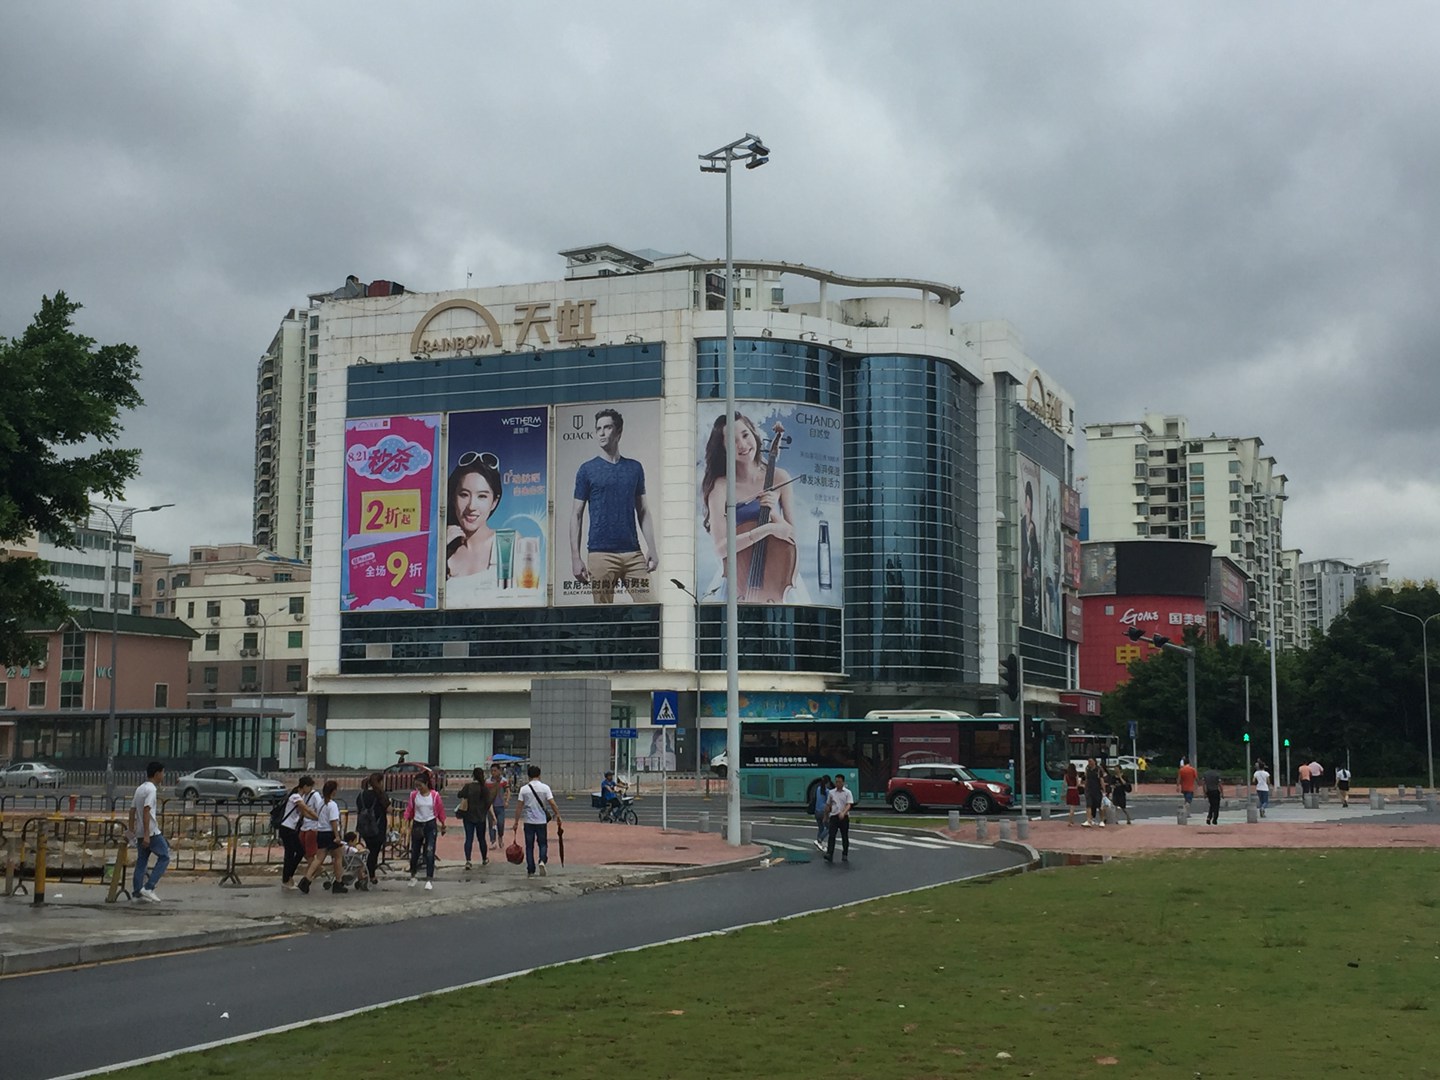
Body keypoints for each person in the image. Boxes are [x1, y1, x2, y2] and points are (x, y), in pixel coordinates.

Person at [700, 411, 805, 604]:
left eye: (745, 435)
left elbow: (791, 536)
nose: (742, 445)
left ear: (754, 434)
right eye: (732, 441)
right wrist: (767, 529)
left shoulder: (780, 477)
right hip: (737, 578)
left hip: (776, 574)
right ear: (722, 448)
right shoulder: (721, 487)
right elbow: (721, 548)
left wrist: (772, 511)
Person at [569, 408, 658, 604]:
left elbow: (643, 511)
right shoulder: (587, 470)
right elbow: (576, 515)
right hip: (600, 555)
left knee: (650, 608)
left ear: (618, 432)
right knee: (603, 617)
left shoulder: (634, 468)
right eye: (598, 428)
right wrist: (576, 558)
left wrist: (651, 547)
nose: (601, 433)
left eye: (607, 427)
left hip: (633, 554)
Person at [445, 453, 504, 608]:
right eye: (464, 495)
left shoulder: (506, 543)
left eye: (482, 496)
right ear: (453, 497)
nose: (471, 506)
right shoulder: (443, 550)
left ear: (494, 502)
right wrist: (437, 552)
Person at [129, 761, 170, 902]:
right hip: (151, 832)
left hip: (140, 831)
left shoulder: (140, 789)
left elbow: (132, 810)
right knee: (165, 856)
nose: (163, 776)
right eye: (163, 773)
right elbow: (147, 810)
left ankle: (136, 893)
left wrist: (131, 830)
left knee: (142, 861)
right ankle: (148, 887)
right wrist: (147, 834)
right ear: (157, 773)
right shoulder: (152, 790)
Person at [298, 779, 345, 894]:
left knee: (319, 858)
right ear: (333, 791)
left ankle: (306, 880)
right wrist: (337, 836)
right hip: (330, 833)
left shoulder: (321, 804)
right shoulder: (332, 805)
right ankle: (338, 882)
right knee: (338, 857)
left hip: (321, 832)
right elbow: (334, 821)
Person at [517, 764, 562, 877]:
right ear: (539, 775)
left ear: (528, 776)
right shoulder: (545, 788)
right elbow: (552, 803)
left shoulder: (524, 789)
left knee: (529, 846)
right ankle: (542, 860)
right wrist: (558, 815)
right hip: (541, 821)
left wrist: (516, 822)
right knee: (542, 843)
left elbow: (519, 807)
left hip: (528, 821)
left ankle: (530, 868)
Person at [405, 772, 447, 890]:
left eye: (420, 785)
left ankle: (429, 878)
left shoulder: (434, 795)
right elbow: (409, 809)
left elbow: (440, 810)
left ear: (426, 784)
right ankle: (413, 876)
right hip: (417, 824)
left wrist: (443, 824)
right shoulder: (414, 795)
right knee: (414, 852)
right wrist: (406, 820)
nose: (418, 788)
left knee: (429, 851)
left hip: (430, 824)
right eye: (416, 786)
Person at [278, 774, 320, 888]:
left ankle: (288, 877)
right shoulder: (295, 796)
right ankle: (287, 879)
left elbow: (305, 814)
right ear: (305, 786)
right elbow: (306, 809)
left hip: (290, 829)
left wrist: (318, 819)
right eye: (310, 787)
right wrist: (320, 817)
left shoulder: (298, 797)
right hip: (287, 829)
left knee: (296, 852)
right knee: (292, 854)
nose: (310, 790)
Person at [354, 772, 389, 886]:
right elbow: (389, 809)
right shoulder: (380, 794)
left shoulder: (361, 795)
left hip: (364, 827)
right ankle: (369, 874)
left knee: (369, 849)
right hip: (378, 827)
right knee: (374, 852)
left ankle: (367, 873)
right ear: (379, 782)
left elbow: (359, 808)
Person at [456, 766, 495, 870]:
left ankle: (468, 861)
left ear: (473, 775)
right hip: (481, 817)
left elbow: (459, 795)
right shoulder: (484, 788)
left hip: (468, 816)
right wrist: (484, 811)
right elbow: (489, 802)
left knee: (469, 838)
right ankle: (484, 858)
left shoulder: (468, 787)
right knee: (481, 838)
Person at [1019, 481, 1042, 628]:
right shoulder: (1020, 524)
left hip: (1030, 577)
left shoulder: (1033, 528)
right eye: (1027, 503)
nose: (1028, 507)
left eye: (1030, 503)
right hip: (1021, 577)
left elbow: (1035, 555)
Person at [824, 773, 854, 863]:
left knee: (844, 836)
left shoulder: (847, 792)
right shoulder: (831, 792)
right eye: (836, 782)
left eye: (840, 782)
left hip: (844, 817)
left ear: (843, 782)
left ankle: (845, 853)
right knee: (832, 835)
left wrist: (843, 813)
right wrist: (825, 816)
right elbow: (828, 804)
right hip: (834, 816)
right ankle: (829, 853)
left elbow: (849, 804)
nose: (838, 784)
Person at [487, 762, 510, 847]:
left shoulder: (503, 781)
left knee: (500, 824)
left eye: (495, 771)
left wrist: (507, 801)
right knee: (491, 824)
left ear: (499, 771)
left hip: (500, 806)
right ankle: (493, 841)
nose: (493, 772)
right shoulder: (488, 782)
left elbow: (508, 791)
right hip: (491, 806)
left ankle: (500, 836)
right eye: (492, 771)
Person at [1082, 758, 1105, 827]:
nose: (1089, 763)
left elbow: (1101, 780)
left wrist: (1104, 790)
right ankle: (1089, 820)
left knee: (1099, 806)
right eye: (1088, 761)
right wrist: (1085, 787)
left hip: (1097, 790)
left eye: (1090, 761)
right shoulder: (1087, 769)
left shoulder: (1098, 770)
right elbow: (1086, 778)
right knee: (1088, 805)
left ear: (1094, 762)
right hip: (1089, 790)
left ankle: (1102, 820)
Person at [813, 775, 832, 850]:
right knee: (829, 827)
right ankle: (819, 839)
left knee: (820, 828)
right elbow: (828, 803)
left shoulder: (818, 789)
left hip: (817, 811)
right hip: (823, 812)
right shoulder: (828, 791)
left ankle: (819, 844)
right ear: (828, 783)